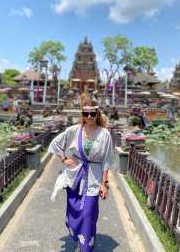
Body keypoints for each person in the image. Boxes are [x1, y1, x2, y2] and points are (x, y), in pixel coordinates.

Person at [48, 99, 114, 252]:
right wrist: (64, 159)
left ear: (97, 113)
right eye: (86, 113)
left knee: (88, 213)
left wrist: (104, 184)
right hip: (75, 178)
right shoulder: (74, 130)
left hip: (94, 178)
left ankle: (86, 247)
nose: (89, 116)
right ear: (82, 114)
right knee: (74, 211)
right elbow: (55, 144)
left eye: (92, 113)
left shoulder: (105, 134)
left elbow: (107, 160)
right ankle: (79, 237)